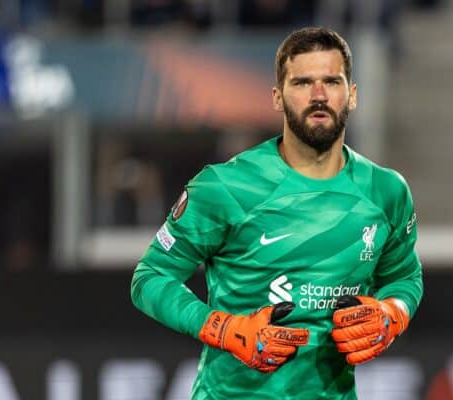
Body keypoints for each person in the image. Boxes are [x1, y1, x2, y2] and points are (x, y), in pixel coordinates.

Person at [131, 27, 423, 399]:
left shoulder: (386, 192)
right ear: (276, 97)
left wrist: (392, 313)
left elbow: (404, 276)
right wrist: (221, 327)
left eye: (331, 82)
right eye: (302, 83)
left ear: (351, 96)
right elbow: (150, 277)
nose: (319, 96)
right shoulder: (224, 187)